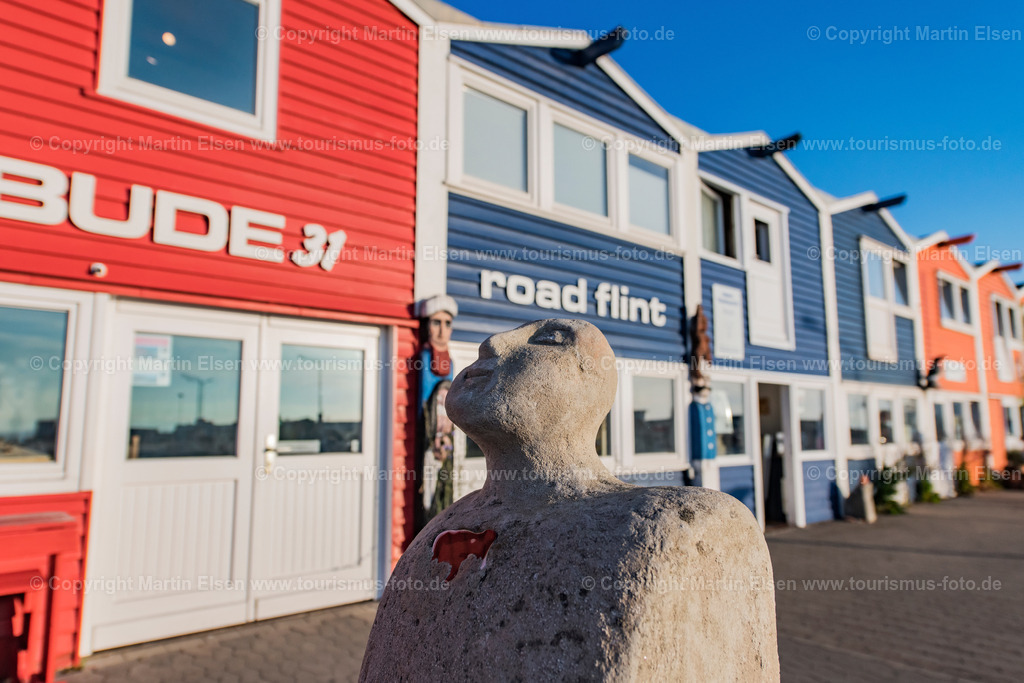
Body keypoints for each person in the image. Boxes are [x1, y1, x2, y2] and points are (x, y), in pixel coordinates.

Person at [361, 319, 779, 682]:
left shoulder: (686, 530)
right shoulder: (437, 532)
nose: (491, 342)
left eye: (549, 340)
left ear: (590, 387)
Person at [414, 295, 458, 523]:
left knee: (444, 483)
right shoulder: (424, 357)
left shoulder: (449, 361)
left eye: (447, 324)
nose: (442, 331)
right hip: (428, 436)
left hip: (445, 434)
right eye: (436, 323)